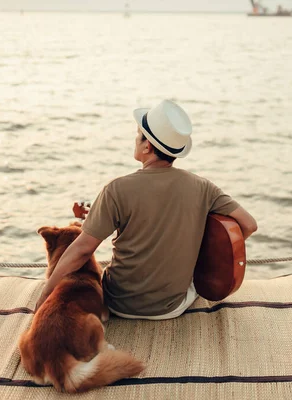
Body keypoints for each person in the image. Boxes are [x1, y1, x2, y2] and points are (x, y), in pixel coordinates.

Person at [35, 100, 257, 319]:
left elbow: (82, 249)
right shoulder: (204, 187)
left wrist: (46, 291)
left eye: (137, 133)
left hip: (118, 303)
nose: (134, 139)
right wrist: (203, 259)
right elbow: (249, 225)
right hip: (172, 308)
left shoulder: (117, 189)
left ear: (147, 146)